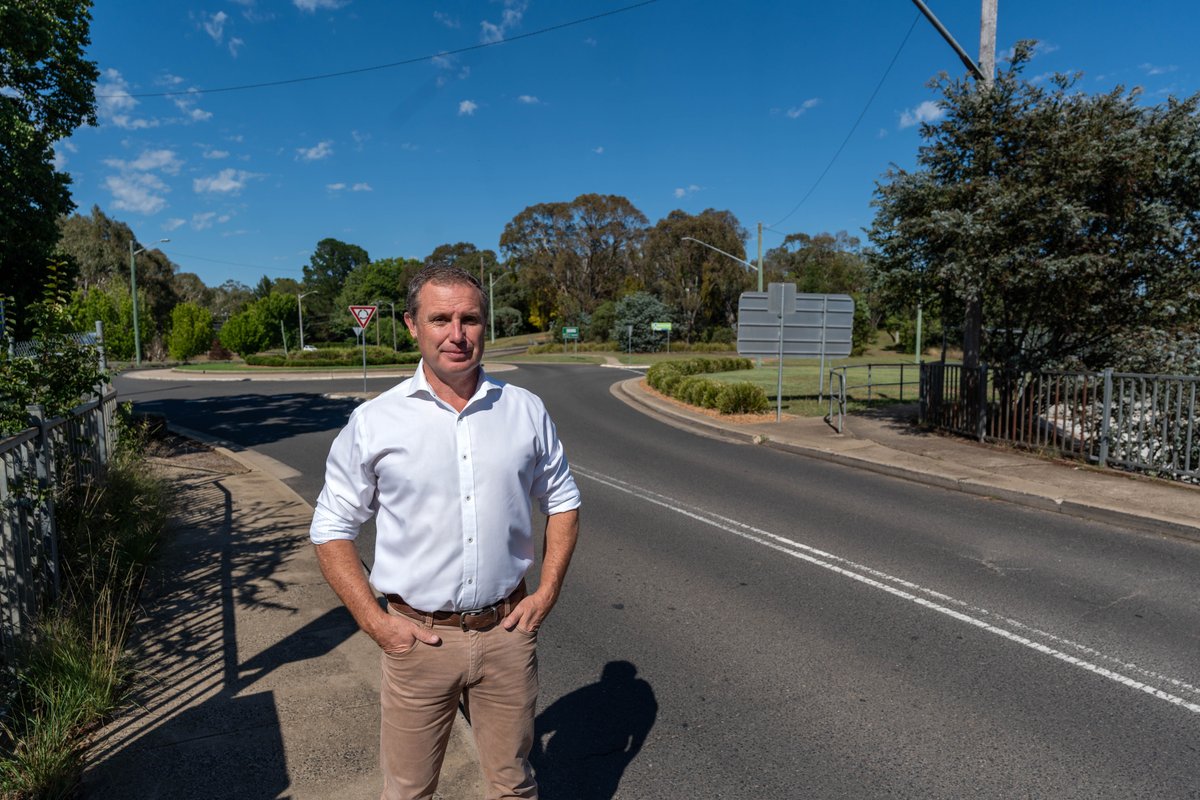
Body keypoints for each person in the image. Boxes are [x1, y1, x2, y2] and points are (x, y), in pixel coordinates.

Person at [309, 264, 581, 800]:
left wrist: (546, 593)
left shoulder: (524, 410)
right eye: (440, 319)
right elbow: (331, 527)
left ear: (484, 325)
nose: (457, 334)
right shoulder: (375, 421)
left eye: (470, 319)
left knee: (514, 785)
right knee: (409, 791)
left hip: (507, 634)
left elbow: (564, 501)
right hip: (418, 641)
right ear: (412, 325)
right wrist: (376, 623)